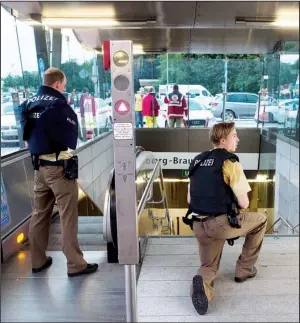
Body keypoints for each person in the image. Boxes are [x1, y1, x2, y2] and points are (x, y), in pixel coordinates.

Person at [20, 68, 98, 277]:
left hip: (39, 169)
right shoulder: (58, 105)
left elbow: (27, 140)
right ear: (57, 84)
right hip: (58, 169)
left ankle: (37, 260)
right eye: (63, 85)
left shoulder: (28, 104)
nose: (64, 88)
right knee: (67, 216)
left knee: (39, 214)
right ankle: (75, 264)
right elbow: (69, 141)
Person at [184, 122, 267, 315]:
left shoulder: (197, 160)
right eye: (235, 135)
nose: (237, 139)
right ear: (223, 139)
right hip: (220, 224)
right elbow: (244, 203)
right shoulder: (230, 163)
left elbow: (189, 198)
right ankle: (244, 270)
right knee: (260, 220)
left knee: (208, 266)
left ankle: (201, 284)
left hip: (198, 225)